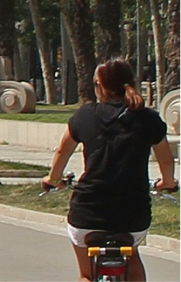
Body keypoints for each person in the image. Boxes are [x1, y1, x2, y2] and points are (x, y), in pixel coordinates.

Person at [45, 58, 178, 282]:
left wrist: (53, 178)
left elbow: (62, 152)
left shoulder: (84, 115)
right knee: (132, 252)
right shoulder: (148, 118)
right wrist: (168, 182)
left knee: (86, 275)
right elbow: (166, 159)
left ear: (100, 85)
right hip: (133, 217)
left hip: (87, 215)